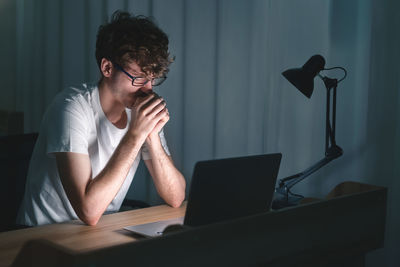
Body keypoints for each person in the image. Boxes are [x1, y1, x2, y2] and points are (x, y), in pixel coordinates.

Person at [17, 11, 186, 226]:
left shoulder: (140, 110)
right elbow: (88, 211)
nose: (148, 89)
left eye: (153, 79)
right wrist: (135, 135)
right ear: (107, 68)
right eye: (139, 78)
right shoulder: (70, 107)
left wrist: (151, 136)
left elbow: (176, 197)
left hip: (98, 233)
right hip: (40, 237)